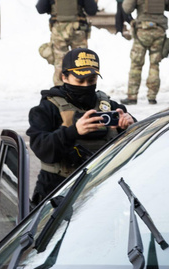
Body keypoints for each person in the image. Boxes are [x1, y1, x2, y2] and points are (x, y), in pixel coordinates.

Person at [26, 48, 135, 205]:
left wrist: (129, 128)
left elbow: (140, 147)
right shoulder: (47, 108)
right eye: (80, 81)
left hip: (101, 190)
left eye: (91, 81)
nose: (86, 86)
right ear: (64, 77)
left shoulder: (108, 106)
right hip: (58, 191)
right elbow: (42, 147)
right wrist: (73, 132)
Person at [122, 0, 169, 105]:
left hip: (142, 31)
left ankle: (132, 96)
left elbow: (126, 8)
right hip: (159, 31)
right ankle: (152, 96)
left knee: (136, 64)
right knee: (155, 65)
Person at [36, 0, 98, 87]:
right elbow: (92, 10)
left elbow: (40, 9)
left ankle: (59, 92)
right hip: (78, 31)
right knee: (81, 63)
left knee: (60, 63)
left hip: (59, 31)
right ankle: (81, 89)